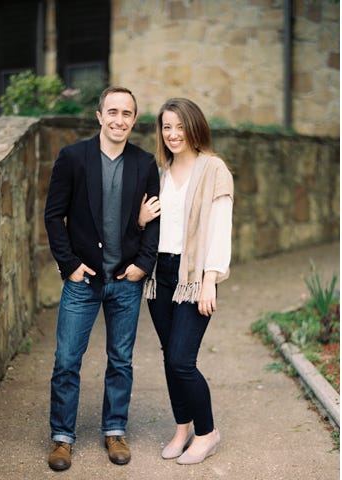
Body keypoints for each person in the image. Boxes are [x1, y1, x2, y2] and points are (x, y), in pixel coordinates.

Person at [43, 86, 160, 471]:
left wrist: (143, 264)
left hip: (126, 280)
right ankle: (62, 438)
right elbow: (53, 217)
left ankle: (115, 430)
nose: (119, 120)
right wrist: (69, 265)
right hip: (83, 280)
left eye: (127, 114)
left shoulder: (144, 164)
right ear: (99, 116)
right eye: (112, 112)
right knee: (66, 360)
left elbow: (155, 220)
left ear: (133, 120)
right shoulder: (74, 158)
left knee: (121, 361)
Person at [137, 97, 234, 465]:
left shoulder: (214, 170)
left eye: (179, 126)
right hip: (159, 273)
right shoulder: (158, 172)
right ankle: (182, 428)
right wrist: (142, 219)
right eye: (166, 127)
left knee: (181, 359)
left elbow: (220, 230)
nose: (173, 134)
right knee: (168, 357)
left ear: (194, 127)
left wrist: (210, 280)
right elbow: (149, 228)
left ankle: (207, 432)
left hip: (194, 277)